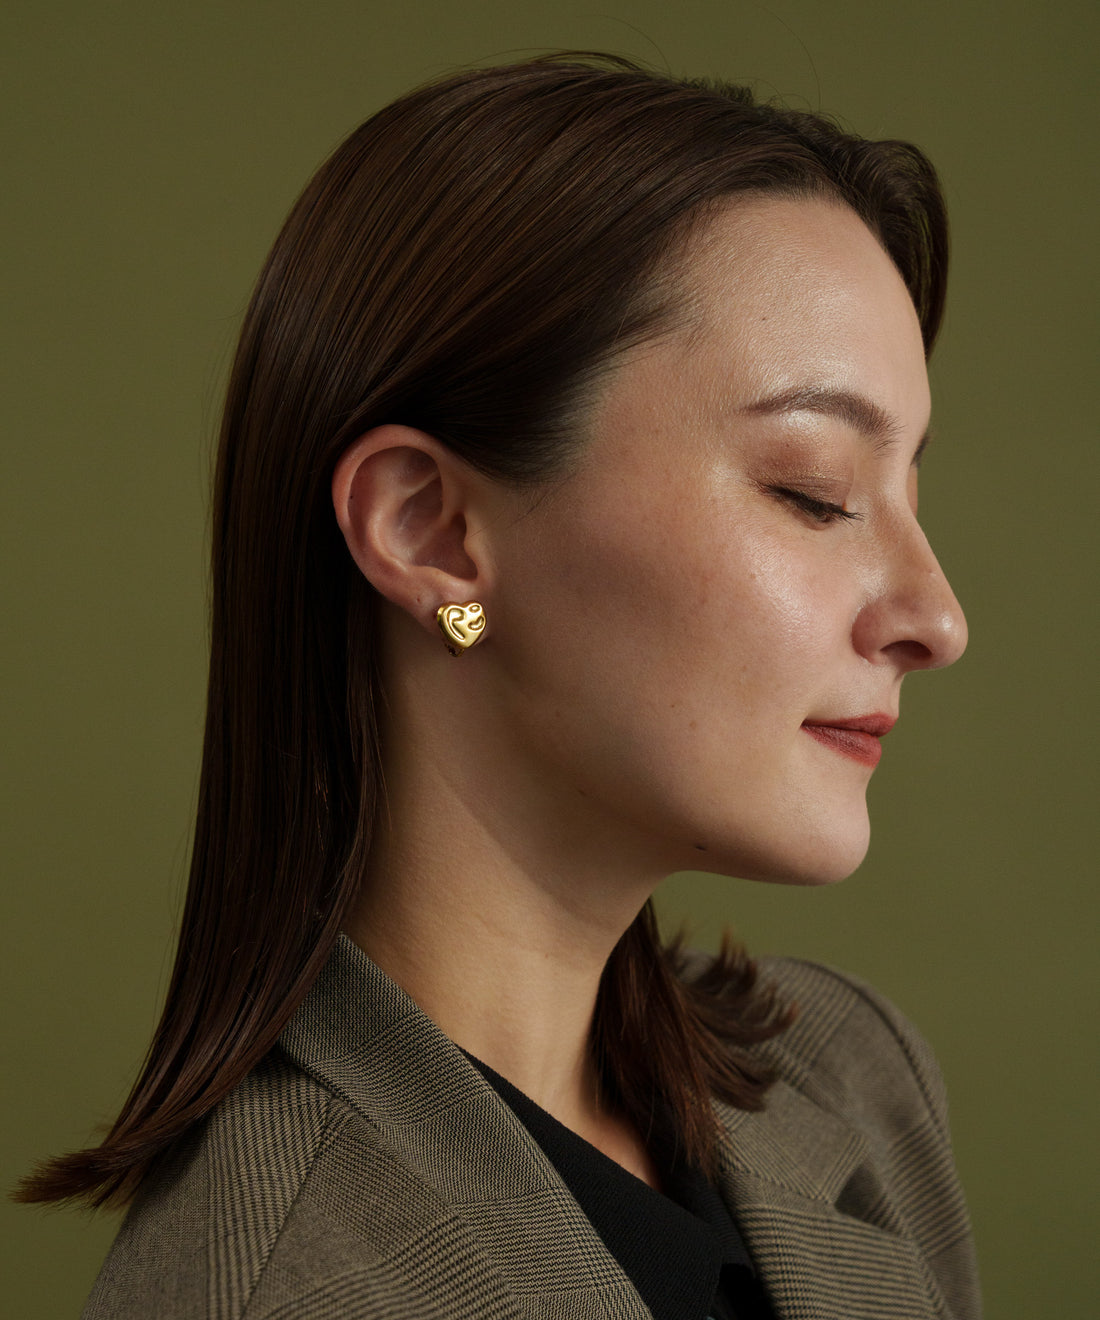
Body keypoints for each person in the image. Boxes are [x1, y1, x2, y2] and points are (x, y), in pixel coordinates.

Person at [17, 53, 981, 1319]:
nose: (935, 620)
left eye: (910, 491)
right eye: (813, 492)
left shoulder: (854, 1082)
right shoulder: (274, 1288)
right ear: (429, 532)